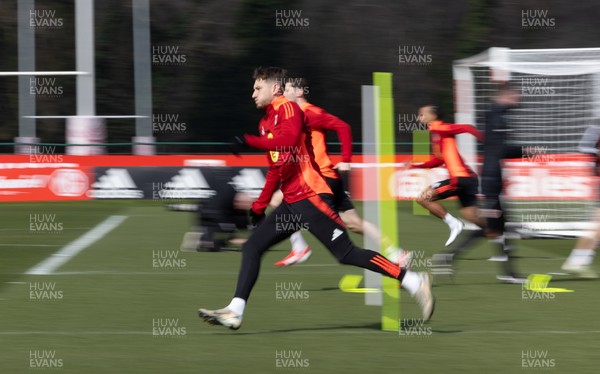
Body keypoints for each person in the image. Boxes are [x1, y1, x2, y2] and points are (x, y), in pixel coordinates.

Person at [198, 67, 434, 330]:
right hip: (291, 201)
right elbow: (278, 167)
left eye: (257, 88)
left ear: (275, 88)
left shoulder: (290, 110)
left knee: (346, 253)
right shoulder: (265, 123)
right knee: (252, 247)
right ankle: (235, 311)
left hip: (311, 195)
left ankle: (413, 280)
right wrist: (260, 205)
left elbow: (287, 142)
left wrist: (249, 142)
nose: (252, 93)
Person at [266, 77, 409, 267]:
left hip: (320, 177)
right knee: (354, 222)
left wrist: (346, 160)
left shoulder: (310, 113)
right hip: (327, 177)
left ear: (300, 92)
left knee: (277, 200)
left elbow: (343, 127)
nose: (284, 93)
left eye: (289, 89)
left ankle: (300, 247)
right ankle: (396, 253)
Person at [433, 83, 524, 283]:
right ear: (506, 95)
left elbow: (496, 148)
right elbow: (499, 150)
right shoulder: (496, 117)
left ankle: (452, 258)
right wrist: (526, 151)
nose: (519, 98)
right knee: (492, 227)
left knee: (496, 227)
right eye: (516, 94)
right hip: (492, 181)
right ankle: (506, 273)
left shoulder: (496, 114)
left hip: (493, 180)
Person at [408, 105, 485, 247]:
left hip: (460, 179)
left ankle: (454, 223)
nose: (419, 118)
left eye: (422, 115)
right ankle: (500, 233)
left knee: (423, 198)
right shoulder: (435, 134)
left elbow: (468, 127)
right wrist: (416, 166)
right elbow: (439, 160)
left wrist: (486, 141)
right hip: (468, 179)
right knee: (473, 217)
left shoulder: (440, 128)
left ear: (433, 116)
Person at [561, 124, 600, 278]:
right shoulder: (596, 129)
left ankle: (578, 261)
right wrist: (597, 152)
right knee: (597, 226)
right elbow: (583, 147)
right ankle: (576, 262)